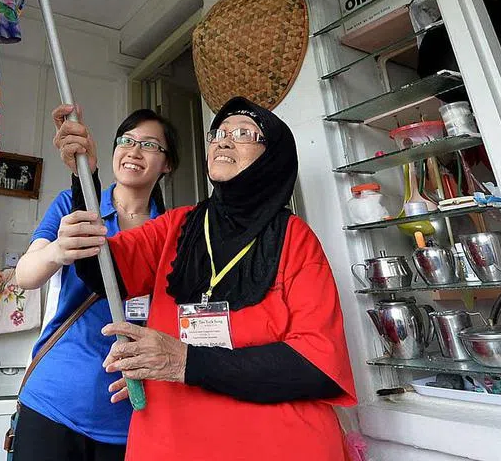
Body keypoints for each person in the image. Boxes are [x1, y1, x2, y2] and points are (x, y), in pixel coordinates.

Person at [53, 96, 356, 461]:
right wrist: (84, 176)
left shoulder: (295, 238)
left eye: (243, 133)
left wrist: (185, 361)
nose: (224, 141)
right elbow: (103, 273)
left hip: (274, 445)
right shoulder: (175, 225)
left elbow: (318, 366)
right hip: (169, 443)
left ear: (272, 156)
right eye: (219, 133)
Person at [10, 105, 180, 461]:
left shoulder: (174, 231)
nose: (134, 151)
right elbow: (25, 275)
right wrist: (58, 250)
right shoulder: (73, 206)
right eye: (126, 141)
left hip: (132, 413)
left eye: (149, 145)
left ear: (167, 164)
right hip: (55, 401)